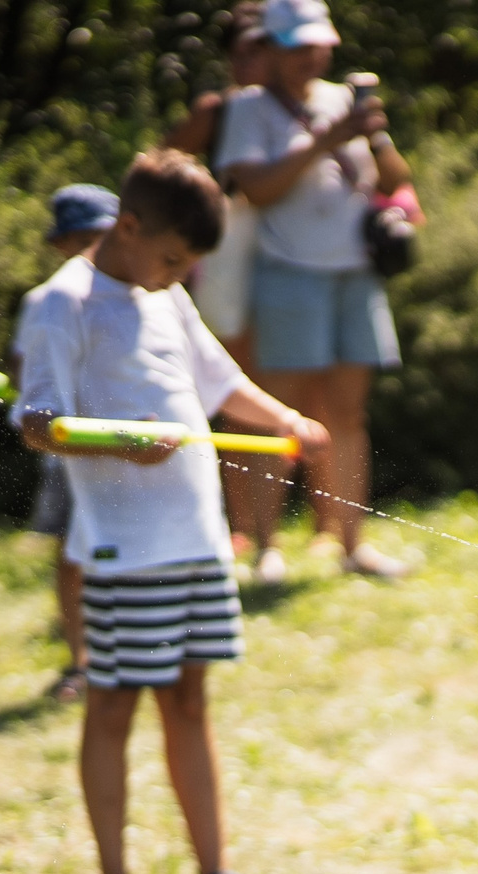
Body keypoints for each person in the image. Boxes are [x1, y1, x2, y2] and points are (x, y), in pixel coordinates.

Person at [12, 150, 331, 874]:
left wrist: (287, 421)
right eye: (171, 257)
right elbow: (36, 422)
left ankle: (217, 870)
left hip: (197, 542)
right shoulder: (62, 304)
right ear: (127, 226)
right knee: (114, 706)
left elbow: (220, 382)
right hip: (125, 553)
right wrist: (121, 441)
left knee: (190, 701)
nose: (178, 274)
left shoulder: (166, 295)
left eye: (187, 263)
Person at [215, 0, 418, 581]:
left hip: (356, 272)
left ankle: (352, 546)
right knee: (275, 415)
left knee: (348, 413)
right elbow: (257, 189)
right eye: (298, 46)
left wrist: (374, 135)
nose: (311, 57)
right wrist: (327, 140)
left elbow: (395, 180)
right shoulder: (248, 108)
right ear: (272, 49)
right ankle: (267, 548)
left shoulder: (343, 100)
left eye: (319, 46)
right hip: (288, 272)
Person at [166, 5, 284, 579]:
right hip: (230, 268)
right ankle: (246, 532)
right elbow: (161, 169)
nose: (253, 63)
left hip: (288, 265)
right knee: (236, 399)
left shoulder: (299, 108)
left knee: (287, 398)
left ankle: (288, 532)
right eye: (243, 52)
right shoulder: (219, 111)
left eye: (263, 50)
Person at [10, 183, 117, 704]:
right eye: (84, 237)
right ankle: (81, 659)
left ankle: (119, 652)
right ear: (61, 244)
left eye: (105, 234)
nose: (96, 246)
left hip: (126, 456)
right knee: (74, 556)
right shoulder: (46, 300)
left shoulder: (133, 292)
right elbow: (24, 369)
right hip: (72, 458)